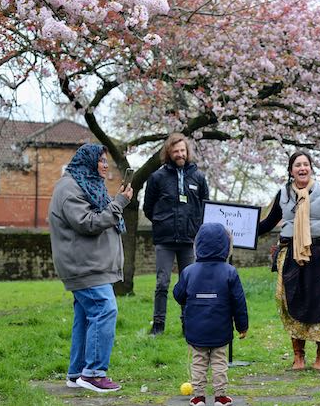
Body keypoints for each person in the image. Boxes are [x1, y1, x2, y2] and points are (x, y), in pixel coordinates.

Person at [258, 150, 320, 371]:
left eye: (306, 164)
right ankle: (298, 356)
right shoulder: (283, 193)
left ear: (311, 168)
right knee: (293, 303)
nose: (302, 168)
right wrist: (241, 228)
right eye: (297, 165)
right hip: (292, 255)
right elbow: (268, 222)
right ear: (291, 171)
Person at [48, 144, 133, 392]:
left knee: (86, 317)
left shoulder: (87, 184)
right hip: (84, 266)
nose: (106, 166)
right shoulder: (69, 188)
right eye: (101, 161)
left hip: (91, 265)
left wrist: (116, 201)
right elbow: (88, 223)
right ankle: (94, 373)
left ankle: (77, 374)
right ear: (87, 161)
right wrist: (118, 204)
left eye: (107, 161)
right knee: (105, 309)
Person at [173, 223, 248, 406]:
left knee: (198, 362)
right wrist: (242, 326)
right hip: (221, 328)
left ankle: (198, 396)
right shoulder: (230, 271)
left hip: (196, 328)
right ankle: (220, 397)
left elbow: (178, 295)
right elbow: (239, 302)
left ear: (197, 245)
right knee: (219, 363)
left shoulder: (189, 271)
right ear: (226, 246)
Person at [143, 133, 209, 335]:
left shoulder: (198, 177)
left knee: (188, 284)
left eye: (182, 150)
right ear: (169, 153)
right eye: (175, 151)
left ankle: (187, 324)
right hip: (165, 239)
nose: (180, 154)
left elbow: (206, 207)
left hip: (189, 240)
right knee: (162, 283)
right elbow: (148, 207)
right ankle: (158, 325)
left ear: (187, 152)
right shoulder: (157, 177)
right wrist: (162, 222)